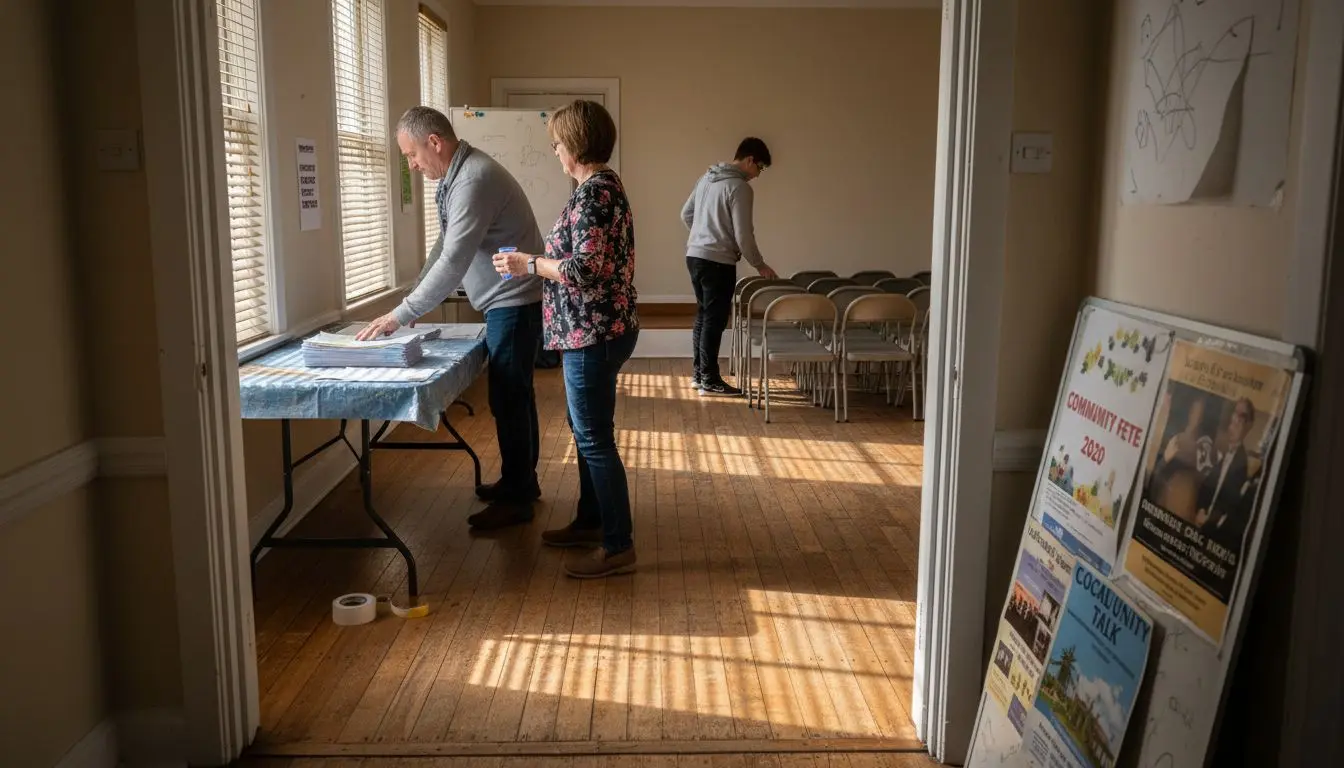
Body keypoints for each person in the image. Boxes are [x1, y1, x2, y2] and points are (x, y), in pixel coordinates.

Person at [358, 106, 544, 530]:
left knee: (509, 398)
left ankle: (518, 497)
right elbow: (443, 246)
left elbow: (454, 260)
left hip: (513, 302)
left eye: (412, 154)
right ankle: (521, 483)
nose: (411, 165)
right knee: (514, 396)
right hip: (506, 301)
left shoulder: (473, 180)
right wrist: (410, 301)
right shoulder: (456, 178)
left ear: (435, 142)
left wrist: (401, 314)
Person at [492, 100, 640, 579]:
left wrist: (530, 264)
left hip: (591, 333)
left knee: (594, 438)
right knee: (588, 433)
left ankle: (617, 546)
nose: (554, 151)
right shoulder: (601, 188)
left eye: (557, 143)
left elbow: (585, 269)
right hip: (596, 330)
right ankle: (591, 521)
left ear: (575, 145)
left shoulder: (595, 194)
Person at [680, 137, 779, 396]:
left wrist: (703, 235)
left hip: (694, 255)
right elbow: (743, 235)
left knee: (704, 315)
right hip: (717, 261)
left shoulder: (707, 178)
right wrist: (760, 265)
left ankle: (699, 375)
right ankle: (710, 379)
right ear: (750, 160)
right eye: (760, 167)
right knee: (715, 319)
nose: (758, 175)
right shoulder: (740, 187)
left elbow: (686, 214)